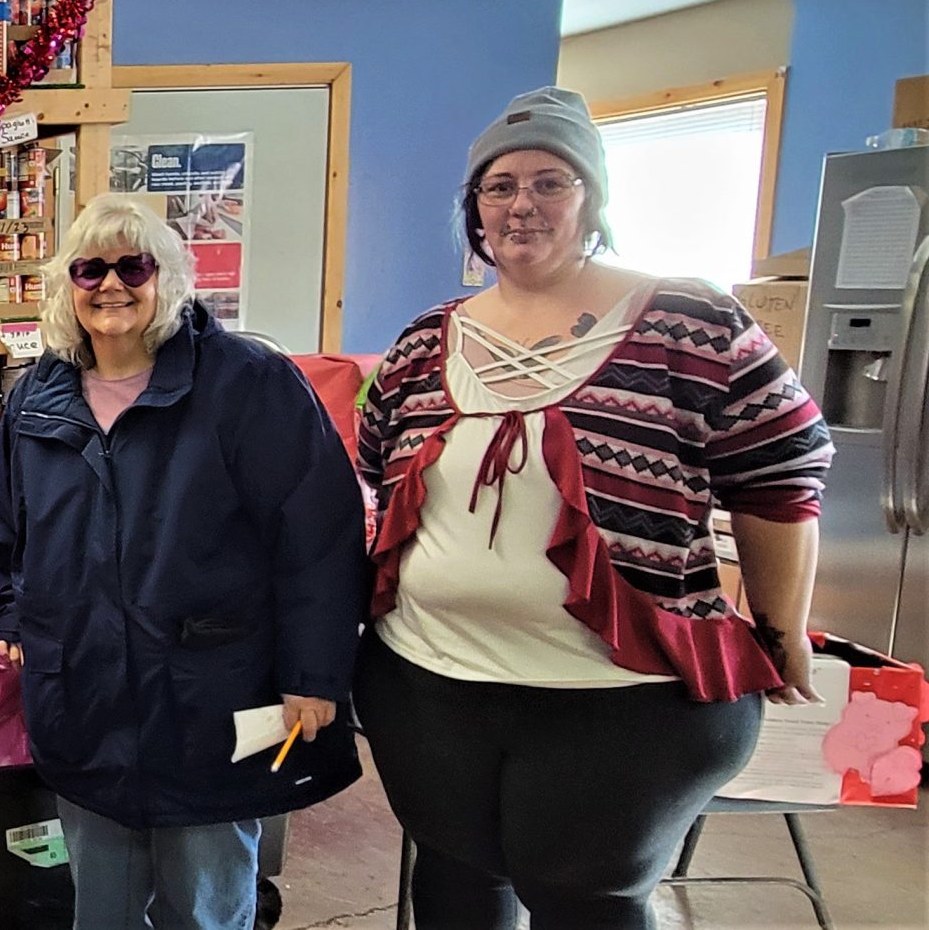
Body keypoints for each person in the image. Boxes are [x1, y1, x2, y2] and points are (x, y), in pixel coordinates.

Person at [355, 87, 835, 928]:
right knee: (457, 882)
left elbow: (781, 475)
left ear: (593, 198)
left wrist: (781, 626)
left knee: (584, 896)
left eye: (551, 181)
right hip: (429, 682)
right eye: (498, 187)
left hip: (619, 699)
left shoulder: (690, 320)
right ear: (474, 209)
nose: (522, 205)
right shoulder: (427, 339)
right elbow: (375, 467)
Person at [0, 200, 370, 929]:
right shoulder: (37, 396)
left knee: (207, 898)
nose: (111, 285)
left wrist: (314, 675)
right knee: (102, 904)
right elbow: (7, 524)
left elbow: (317, 535)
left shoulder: (247, 382)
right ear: (67, 284)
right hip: (85, 696)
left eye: (133, 265)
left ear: (170, 276)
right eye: (90, 268)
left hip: (208, 691)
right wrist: (15, 613)